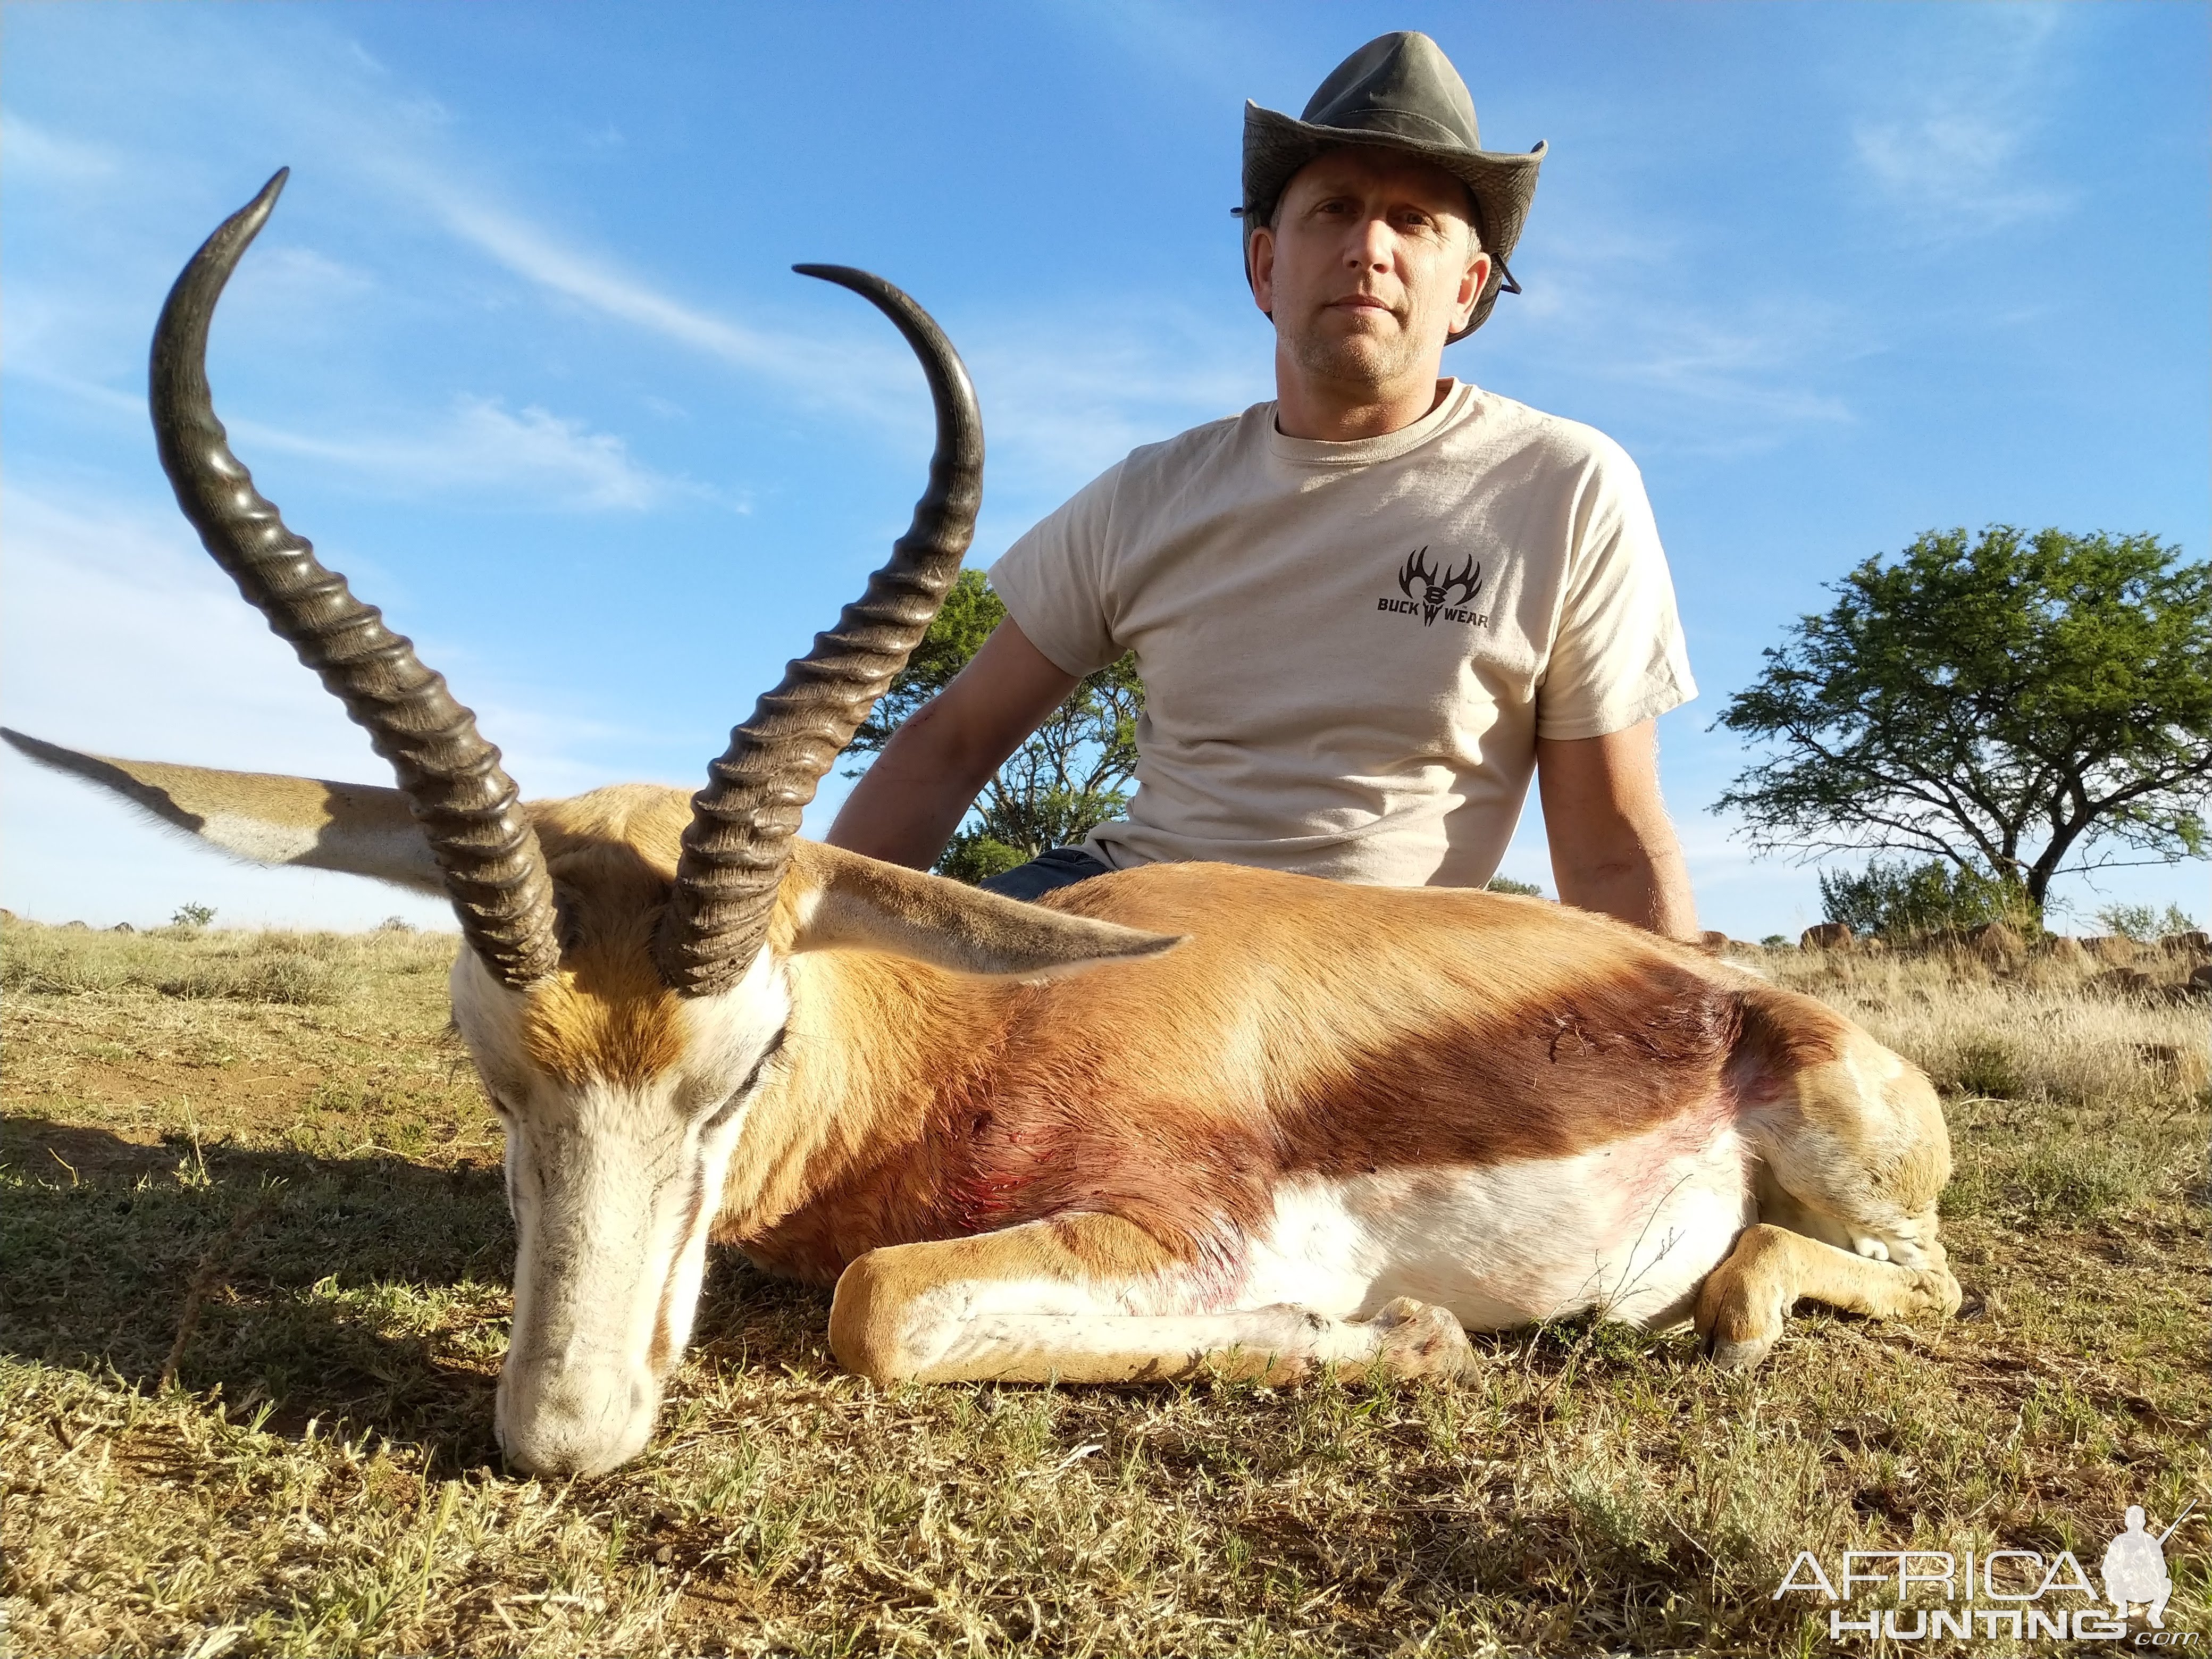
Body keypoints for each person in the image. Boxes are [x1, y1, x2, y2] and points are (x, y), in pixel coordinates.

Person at [827, 31, 1699, 940]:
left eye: (1415, 221)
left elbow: (1609, 843)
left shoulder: (1567, 485)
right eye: (1333, 209)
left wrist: (1698, 1037)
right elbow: (951, 742)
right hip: (1116, 919)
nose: (1370, 247)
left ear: (1469, 289)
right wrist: (810, 950)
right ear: (1265, 269)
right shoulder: (1148, 492)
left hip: (1368, 974)